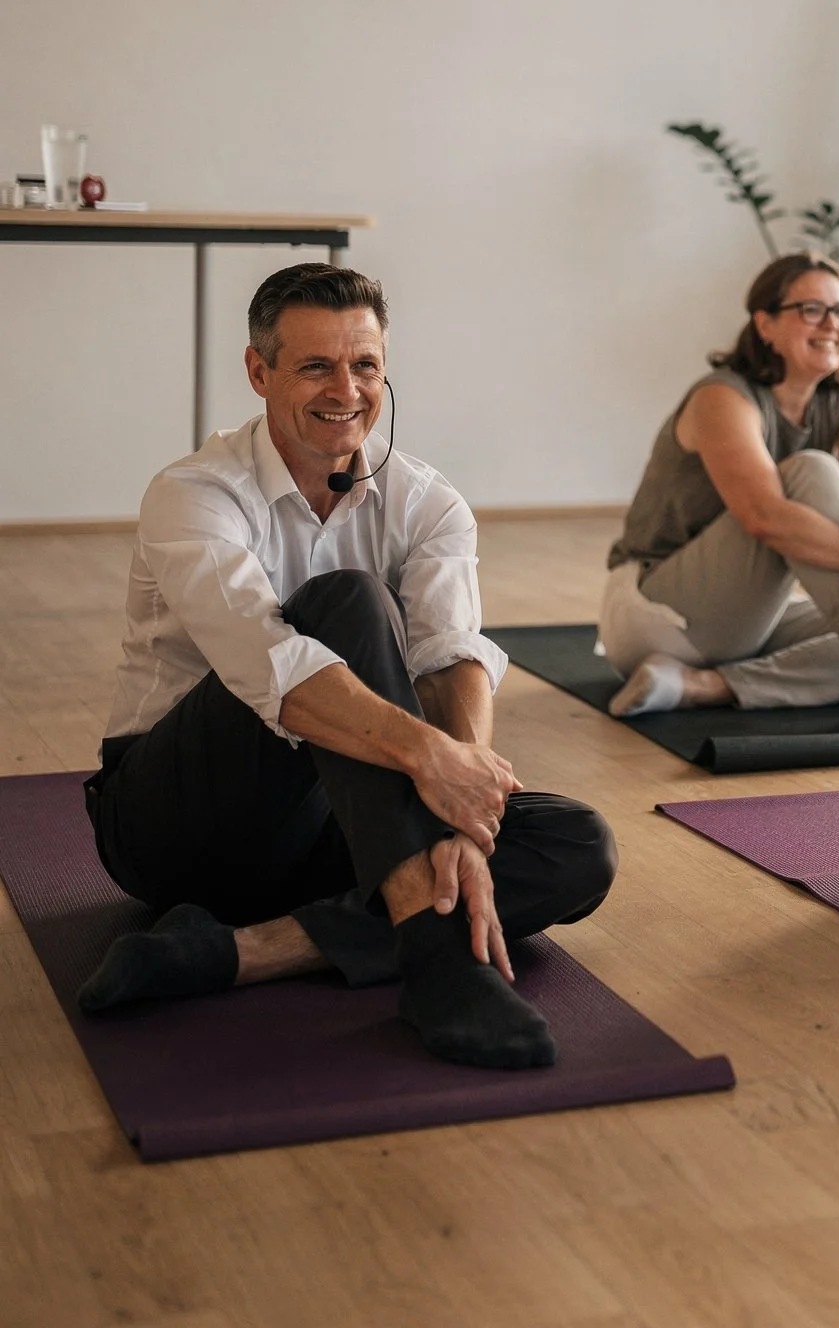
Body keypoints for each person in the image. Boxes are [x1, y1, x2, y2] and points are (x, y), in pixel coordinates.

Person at [79, 264, 617, 1070]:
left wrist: (462, 812)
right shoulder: (193, 494)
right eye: (315, 366)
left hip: (334, 820)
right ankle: (440, 964)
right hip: (176, 820)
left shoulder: (429, 502)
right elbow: (276, 670)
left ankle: (238, 953)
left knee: (578, 843)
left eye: (364, 365)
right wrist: (433, 760)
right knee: (351, 603)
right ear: (258, 372)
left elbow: (450, 657)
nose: (347, 389)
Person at [601, 252, 839, 729]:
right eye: (811, 310)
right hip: (656, 612)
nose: (832, 323)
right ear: (765, 325)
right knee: (814, 474)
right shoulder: (722, 397)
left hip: (752, 617)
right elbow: (764, 517)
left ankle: (706, 686)